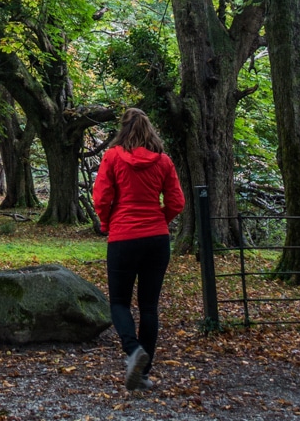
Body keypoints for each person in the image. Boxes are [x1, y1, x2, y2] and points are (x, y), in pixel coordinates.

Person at [92, 108, 185, 391]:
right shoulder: (164, 161)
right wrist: (161, 221)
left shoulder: (112, 157)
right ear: (150, 130)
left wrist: (107, 223)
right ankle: (143, 374)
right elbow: (176, 202)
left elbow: (102, 197)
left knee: (119, 302)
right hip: (157, 239)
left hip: (123, 236)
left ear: (123, 129)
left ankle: (133, 352)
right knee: (149, 307)